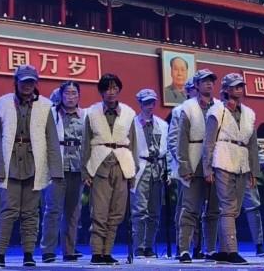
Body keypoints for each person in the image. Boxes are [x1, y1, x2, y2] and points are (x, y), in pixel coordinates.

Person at [0, 65, 64, 267]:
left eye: (31, 82)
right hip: (10, 162)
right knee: (8, 211)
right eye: (24, 82)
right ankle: (0, 254)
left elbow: (52, 139)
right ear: (16, 82)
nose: (28, 86)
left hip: (34, 162)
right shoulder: (3, 104)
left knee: (31, 212)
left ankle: (29, 254)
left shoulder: (45, 106)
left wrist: (56, 170)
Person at [202, 73, 260, 264]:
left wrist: (254, 171)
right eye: (235, 86)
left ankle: (225, 251)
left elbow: (252, 144)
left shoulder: (249, 114)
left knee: (234, 209)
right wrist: (207, 168)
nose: (239, 90)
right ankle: (232, 251)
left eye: (240, 86)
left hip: (242, 162)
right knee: (227, 207)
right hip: (223, 158)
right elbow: (209, 142)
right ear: (226, 89)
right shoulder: (217, 111)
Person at [81, 73, 140, 265]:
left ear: (119, 90)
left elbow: (133, 144)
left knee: (117, 213)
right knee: (99, 212)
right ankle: (97, 252)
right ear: (101, 92)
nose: (111, 92)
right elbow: (86, 144)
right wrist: (85, 171)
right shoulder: (92, 113)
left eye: (114, 88)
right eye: (107, 88)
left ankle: (107, 252)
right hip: (100, 165)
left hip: (122, 165)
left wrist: (133, 171)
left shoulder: (129, 113)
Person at [176, 69, 220, 263]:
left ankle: (210, 249)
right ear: (196, 85)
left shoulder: (219, 106)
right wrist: (184, 166)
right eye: (204, 81)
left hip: (215, 162)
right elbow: (181, 140)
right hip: (194, 163)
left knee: (213, 210)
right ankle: (184, 249)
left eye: (211, 81)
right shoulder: (188, 108)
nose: (209, 84)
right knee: (190, 209)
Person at [40, 81, 87, 263]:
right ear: (61, 95)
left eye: (74, 93)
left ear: (79, 96)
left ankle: (69, 250)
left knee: (73, 211)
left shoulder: (84, 116)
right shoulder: (51, 114)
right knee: (52, 210)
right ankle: (48, 250)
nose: (71, 97)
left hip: (76, 167)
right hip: (55, 167)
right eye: (67, 93)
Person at [130, 89, 168, 258]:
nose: (150, 106)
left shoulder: (162, 124)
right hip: (141, 168)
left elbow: (167, 150)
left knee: (154, 211)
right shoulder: (133, 124)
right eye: (146, 103)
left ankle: (149, 246)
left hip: (157, 169)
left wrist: (168, 172)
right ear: (140, 104)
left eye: (152, 102)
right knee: (139, 209)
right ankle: (138, 246)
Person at [166, 78, 197, 257]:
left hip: (204, 165)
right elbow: (172, 140)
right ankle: (182, 245)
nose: (196, 92)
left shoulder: (212, 108)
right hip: (186, 165)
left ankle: (200, 246)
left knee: (204, 207)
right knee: (185, 207)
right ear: (188, 91)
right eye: (193, 89)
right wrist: (182, 163)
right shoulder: (179, 111)